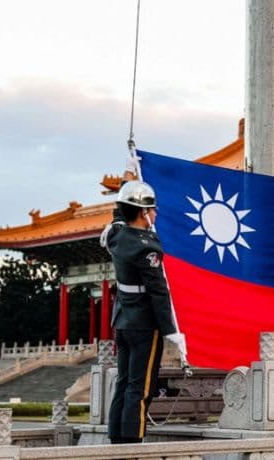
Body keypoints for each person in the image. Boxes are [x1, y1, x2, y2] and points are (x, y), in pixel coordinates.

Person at [100, 160, 185, 444]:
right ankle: (133, 441)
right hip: (145, 325)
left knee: (123, 383)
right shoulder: (147, 247)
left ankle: (116, 438)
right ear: (144, 213)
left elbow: (117, 215)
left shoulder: (116, 235)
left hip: (123, 321)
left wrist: (127, 180)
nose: (156, 213)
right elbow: (158, 292)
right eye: (152, 209)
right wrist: (171, 330)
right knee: (142, 386)